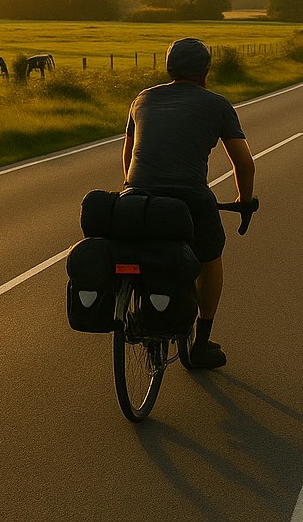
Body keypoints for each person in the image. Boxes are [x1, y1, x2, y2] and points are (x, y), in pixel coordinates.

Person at [122, 37, 255, 369]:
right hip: (189, 198)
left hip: (136, 195)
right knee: (210, 257)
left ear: (169, 69)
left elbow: (128, 156)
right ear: (206, 71)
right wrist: (244, 200)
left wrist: (134, 190)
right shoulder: (217, 104)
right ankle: (202, 343)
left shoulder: (142, 99)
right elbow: (244, 163)